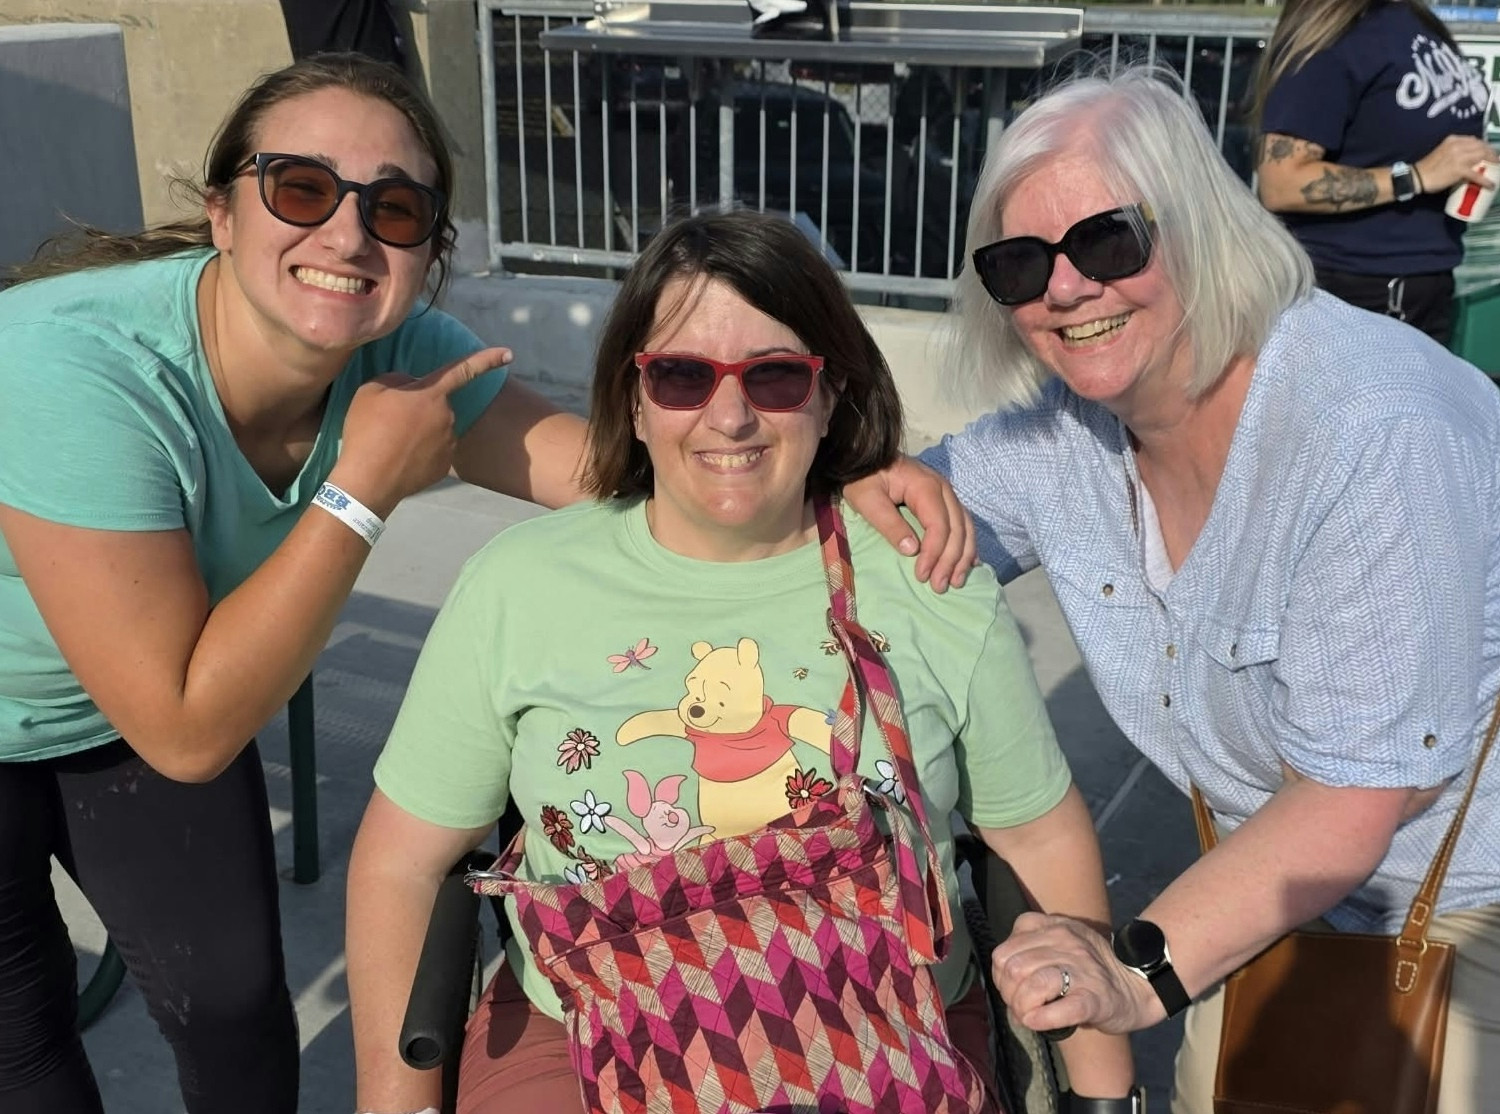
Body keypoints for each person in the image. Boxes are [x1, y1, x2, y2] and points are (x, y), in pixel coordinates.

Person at [0, 55, 969, 1114]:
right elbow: (187, 728)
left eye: (395, 206)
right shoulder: (75, 371)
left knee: (231, 1002)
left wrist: (826, 459)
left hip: (137, 700)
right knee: (23, 1035)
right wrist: (362, 486)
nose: (346, 234)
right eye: (300, 188)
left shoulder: (400, 349)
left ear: (428, 255)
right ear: (222, 214)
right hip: (121, 699)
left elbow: (612, 470)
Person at [345, 208, 1137, 1114]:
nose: (729, 415)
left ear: (830, 390)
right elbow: (402, 862)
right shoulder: (519, 588)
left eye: (774, 377)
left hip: (882, 1027)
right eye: (682, 376)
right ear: (633, 399)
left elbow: (1037, 834)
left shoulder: (930, 579)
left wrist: (1103, 1099)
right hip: (584, 1038)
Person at [919, 65, 1500, 1114]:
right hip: (1260, 896)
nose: (1065, 288)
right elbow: (874, 527)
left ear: (1196, 224)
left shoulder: (1369, 430)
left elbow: (1356, 795)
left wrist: (1136, 972)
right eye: (1019, 263)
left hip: (1463, 901)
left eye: (1108, 242)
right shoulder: (1062, 439)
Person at [1253, 0, 1495, 345]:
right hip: (1354, 296)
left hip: (1426, 289)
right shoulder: (1335, 38)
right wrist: (1416, 176)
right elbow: (1282, 182)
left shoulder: (1414, 20)